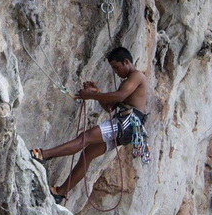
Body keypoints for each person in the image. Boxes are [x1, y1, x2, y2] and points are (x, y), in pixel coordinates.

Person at [30, 47, 149, 204]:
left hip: (126, 123)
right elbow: (109, 108)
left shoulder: (137, 76)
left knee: (85, 137)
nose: (116, 71)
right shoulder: (127, 83)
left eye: (117, 67)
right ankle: (59, 192)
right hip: (126, 127)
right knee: (87, 155)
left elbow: (119, 96)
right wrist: (96, 92)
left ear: (126, 62)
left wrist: (91, 95)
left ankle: (43, 155)